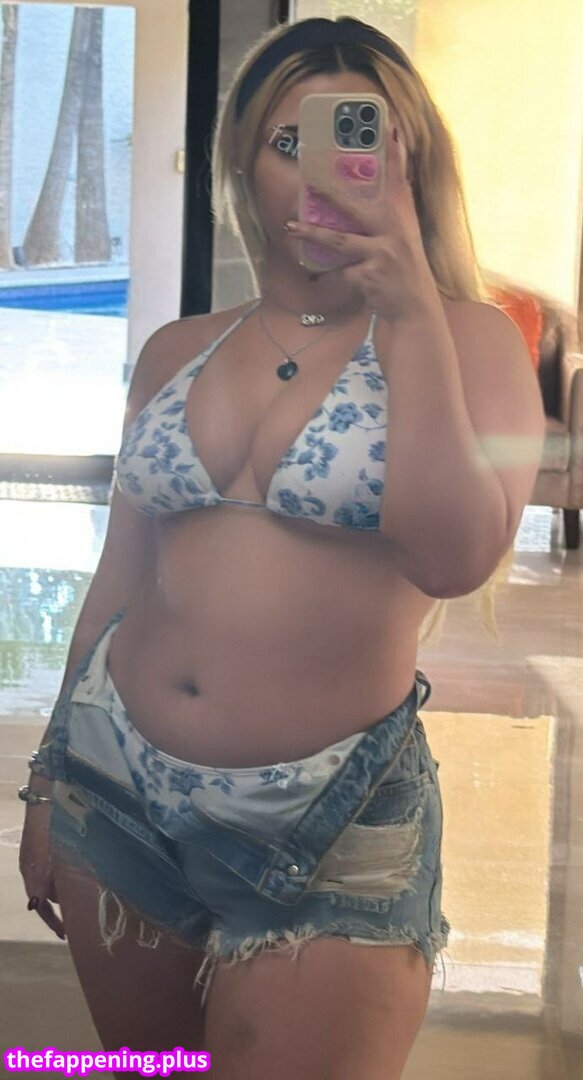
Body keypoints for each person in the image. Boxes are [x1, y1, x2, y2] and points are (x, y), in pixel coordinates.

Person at [18, 16, 545, 1080]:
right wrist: (46, 781)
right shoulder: (177, 348)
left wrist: (407, 313)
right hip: (113, 787)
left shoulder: (471, 339)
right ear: (241, 166)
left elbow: (454, 560)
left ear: (409, 163)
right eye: (283, 141)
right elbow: (120, 576)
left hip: (328, 826)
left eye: (354, 139)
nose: (314, 174)